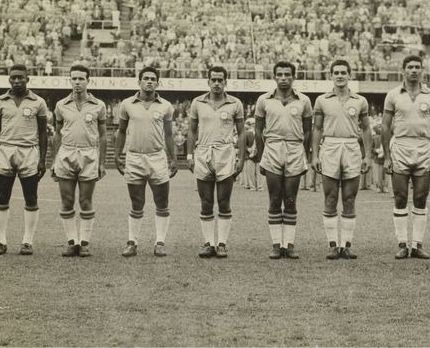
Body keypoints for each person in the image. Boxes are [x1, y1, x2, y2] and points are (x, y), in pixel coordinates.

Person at [310, 60, 372, 260]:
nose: (339, 75)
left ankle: (346, 245)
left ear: (349, 75)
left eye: (343, 72)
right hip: (330, 146)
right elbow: (317, 129)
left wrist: (368, 155)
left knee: (349, 198)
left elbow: (366, 129)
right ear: (331, 76)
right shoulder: (322, 100)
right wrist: (315, 154)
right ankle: (332, 245)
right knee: (330, 197)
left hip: (352, 146)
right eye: (336, 72)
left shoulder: (360, 100)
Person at [382, 55, 430, 259]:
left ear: (422, 70)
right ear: (403, 70)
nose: (414, 70)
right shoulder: (393, 95)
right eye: (410, 67)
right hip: (401, 145)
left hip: (423, 147)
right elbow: (385, 126)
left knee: (421, 197)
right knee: (400, 197)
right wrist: (387, 157)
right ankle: (401, 243)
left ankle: (416, 245)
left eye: (417, 67)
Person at [115, 66, 178, 257]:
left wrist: (173, 158)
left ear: (158, 83)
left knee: (161, 201)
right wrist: (118, 154)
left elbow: (168, 134)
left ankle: (160, 242)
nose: (149, 81)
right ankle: (132, 242)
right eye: (146, 78)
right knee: (137, 202)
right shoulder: (127, 104)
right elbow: (121, 130)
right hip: (134, 157)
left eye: (153, 79)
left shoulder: (166, 106)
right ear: (139, 81)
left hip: (157, 157)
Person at [255, 61, 313, 259]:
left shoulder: (303, 100)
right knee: (274, 197)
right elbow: (257, 129)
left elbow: (308, 130)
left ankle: (288, 244)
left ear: (293, 76)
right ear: (274, 77)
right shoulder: (264, 100)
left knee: (290, 198)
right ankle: (275, 244)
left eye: (287, 74)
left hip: (294, 148)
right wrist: (262, 154)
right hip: (272, 147)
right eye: (279, 74)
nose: (283, 78)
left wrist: (304, 153)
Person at [0, 64, 49, 255]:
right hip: (5, 150)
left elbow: (42, 132)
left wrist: (42, 159)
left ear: (27, 79)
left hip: (28, 151)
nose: (17, 81)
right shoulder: (0, 101)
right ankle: (1, 241)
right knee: (2, 197)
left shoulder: (38, 102)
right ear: (9, 79)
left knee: (31, 197)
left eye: (20, 77)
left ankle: (27, 241)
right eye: (13, 77)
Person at [187, 66, 246, 258]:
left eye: (221, 80)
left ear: (226, 82)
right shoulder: (197, 102)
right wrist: (189, 155)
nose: (217, 83)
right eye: (214, 80)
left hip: (225, 152)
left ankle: (222, 243)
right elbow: (192, 131)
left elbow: (242, 132)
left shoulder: (235, 103)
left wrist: (241, 157)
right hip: (203, 152)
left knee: (223, 200)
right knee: (206, 201)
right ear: (208, 81)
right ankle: (208, 243)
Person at [51, 63, 107, 257]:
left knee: (85, 200)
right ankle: (71, 241)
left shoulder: (98, 105)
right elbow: (57, 133)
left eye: (81, 78)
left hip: (89, 154)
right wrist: (54, 159)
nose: (77, 82)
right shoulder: (61, 105)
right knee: (66, 200)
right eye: (74, 78)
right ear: (70, 80)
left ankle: (84, 242)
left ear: (88, 81)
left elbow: (103, 135)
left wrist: (101, 163)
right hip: (66, 153)